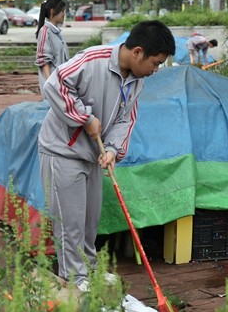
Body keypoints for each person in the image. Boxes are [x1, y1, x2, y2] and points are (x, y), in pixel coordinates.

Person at [38, 20, 175, 291]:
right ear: (137, 52)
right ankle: (75, 281)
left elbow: (126, 119)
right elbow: (55, 85)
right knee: (71, 222)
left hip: (92, 156)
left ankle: (88, 271)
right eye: (155, 63)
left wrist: (112, 150)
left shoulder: (136, 81)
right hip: (62, 151)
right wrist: (84, 118)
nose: (155, 70)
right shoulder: (92, 60)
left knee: (89, 220)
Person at [34, 0, 69, 95]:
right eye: (62, 11)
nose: (63, 14)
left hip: (61, 85)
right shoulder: (45, 31)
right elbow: (44, 61)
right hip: (53, 88)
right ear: (52, 11)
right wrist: (51, 85)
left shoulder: (57, 33)